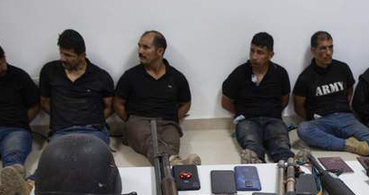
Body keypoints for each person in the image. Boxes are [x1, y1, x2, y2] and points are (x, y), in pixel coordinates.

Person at [294, 31, 369, 159]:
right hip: (321, 120)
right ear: (313, 50)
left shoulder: (342, 68)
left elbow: (349, 91)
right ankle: (349, 144)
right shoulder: (305, 77)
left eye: (330, 47)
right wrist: (313, 117)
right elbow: (298, 106)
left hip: (345, 117)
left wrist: (343, 109)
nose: (328, 52)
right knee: (303, 129)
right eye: (323, 48)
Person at [114, 30, 200, 165]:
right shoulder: (130, 76)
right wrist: (130, 121)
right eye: (139, 46)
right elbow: (118, 103)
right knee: (149, 140)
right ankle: (176, 163)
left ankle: (173, 161)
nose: (140, 51)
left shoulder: (177, 77)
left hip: (167, 122)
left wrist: (174, 119)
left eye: (146, 47)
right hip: (139, 121)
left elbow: (186, 103)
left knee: (172, 143)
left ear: (160, 51)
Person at [221, 33, 294, 164]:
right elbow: (225, 102)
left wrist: (271, 111)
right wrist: (242, 113)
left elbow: (284, 100)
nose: (254, 56)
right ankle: (257, 164)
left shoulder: (280, 73)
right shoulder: (239, 73)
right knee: (252, 144)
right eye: (252, 51)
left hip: (273, 119)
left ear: (270, 55)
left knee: (281, 144)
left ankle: (289, 167)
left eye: (260, 53)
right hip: (247, 120)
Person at [39, 29, 114, 145]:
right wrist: (62, 116)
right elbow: (44, 102)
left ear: (82, 56)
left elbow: (110, 106)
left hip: (93, 131)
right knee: (58, 155)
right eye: (61, 53)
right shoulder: (49, 71)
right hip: (61, 131)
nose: (62, 58)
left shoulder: (101, 76)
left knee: (93, 154)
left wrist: (94, 120)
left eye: (68, 55)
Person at [0, 44, 40, 195]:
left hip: (15, 129)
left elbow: (35, 105)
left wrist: (22, 122)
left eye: (2, 61)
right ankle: (10, 190)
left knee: (13, 156)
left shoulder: (19, 76)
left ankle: (12, 183)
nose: (3, 66)